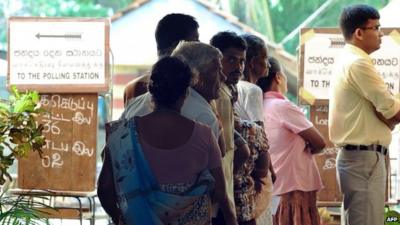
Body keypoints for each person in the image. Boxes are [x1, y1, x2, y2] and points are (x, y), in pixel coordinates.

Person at [98, 56, 237, 225]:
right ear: (186, 92)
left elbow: (105, 190)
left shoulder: (121, 135)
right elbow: (219, 192)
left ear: (151, 90)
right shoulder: (205, 135)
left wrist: (121, 217)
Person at [329, 4, 400, 225]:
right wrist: (389, 114)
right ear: (359, 33)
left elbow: (389, 115)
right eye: (376, 28)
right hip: (363, 159)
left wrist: (389, 114)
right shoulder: (358, 63)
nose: (381, 34)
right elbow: (394, 114)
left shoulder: (352, 60)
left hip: (363, 158)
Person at [258, 57, 325, 225]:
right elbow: (319, 142)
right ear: (278, 77)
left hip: (273, 187)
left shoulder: (259, 106)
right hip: (294, 188)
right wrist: (308, 146)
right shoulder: (283, 107)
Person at [211, 31, 269, 225]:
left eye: (241, 61)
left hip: (233, 183)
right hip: (220, 187)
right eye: (231, 60)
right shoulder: (212, 91)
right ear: (215, 60)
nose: (238, 67)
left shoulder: (231, 88)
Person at [122, 41, 225, 144]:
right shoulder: (204, 117)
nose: (223, 77)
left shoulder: (135, 103)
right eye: (217, 71)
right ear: (197, 75)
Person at [238, 34, 275, 225]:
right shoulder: (252, 90)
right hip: (253, 170)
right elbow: (260, 136)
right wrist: (269, 170)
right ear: (252, 63)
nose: (268, 64)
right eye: (265, 58)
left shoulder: (230, 87)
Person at [123, 13, 199, 104]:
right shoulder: (189, 87)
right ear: (177, 46)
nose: (199, 45)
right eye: (195, 40)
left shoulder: (131, 88)